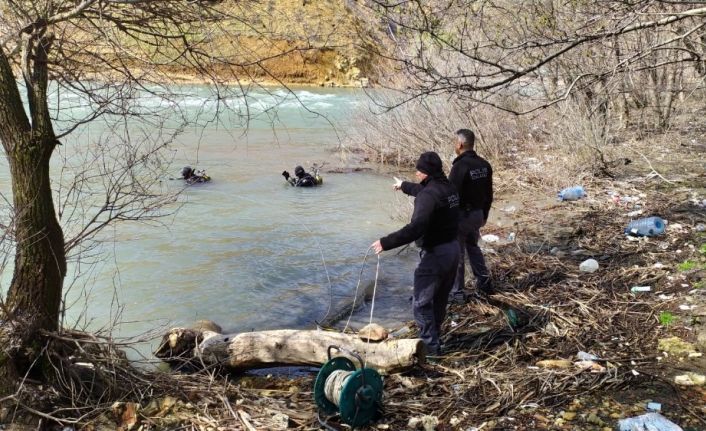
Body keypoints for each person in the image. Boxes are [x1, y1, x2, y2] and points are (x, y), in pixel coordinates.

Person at [371, 152, 460, 356]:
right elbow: (423, 190)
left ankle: (430, 349)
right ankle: (435, 340)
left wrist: (386, 242)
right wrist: (403, 186)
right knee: (439, 300)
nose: (416, 173)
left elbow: (417, 227)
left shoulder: (429, 195)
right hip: (453, 250)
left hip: (435, 254)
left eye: (418, 171)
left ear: (426, 173)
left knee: (420, 303)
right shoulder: (449, 188)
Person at [448, 129, 493, 302]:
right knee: (473, 247)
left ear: (459, 144)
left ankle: (457, 293)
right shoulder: (484, 164)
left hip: (463, 216)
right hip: (477, 215)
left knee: (457, 253)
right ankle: (484, 283)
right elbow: (489, 194)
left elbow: (451, 195)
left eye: (455, 142)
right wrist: (484, 215)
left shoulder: (460, 166)